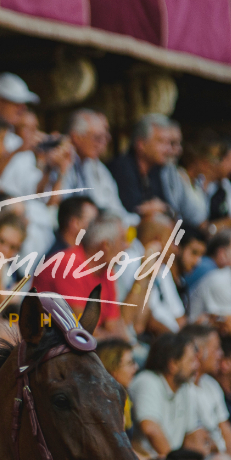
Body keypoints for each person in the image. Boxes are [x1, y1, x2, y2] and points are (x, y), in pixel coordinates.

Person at [34, 211, 149, 340]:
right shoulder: (67, 265)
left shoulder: (106, 272)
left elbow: (114, 324)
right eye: (123, 240)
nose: (127, 246)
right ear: (106, 245)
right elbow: (84, 330)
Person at [129, 332, 208, 458]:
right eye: (191, 360)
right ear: (173, 364)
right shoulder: (147, 381)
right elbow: (150, 429)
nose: (197, 366)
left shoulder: (184, 387)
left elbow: (192, 434)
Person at [64, 109, 137, 226]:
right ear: (76, 138)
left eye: (105, 137)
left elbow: (116, 209)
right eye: (97, 138)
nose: (103, 143)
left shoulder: (97, 167)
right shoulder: (60, 161)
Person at [108, 114, 173, 217]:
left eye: (169, 143)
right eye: (161, 142)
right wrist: (154, 208)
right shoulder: (121, 168)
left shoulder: (155, 170)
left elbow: (167, 206)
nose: (168, 149)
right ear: (141, 144)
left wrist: (157, 208)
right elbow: (132, 210)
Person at [46, 195, 98, 259]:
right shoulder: (57, 259)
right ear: (75, 223)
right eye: (92, 222)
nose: (97, 226)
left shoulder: (83, 252)